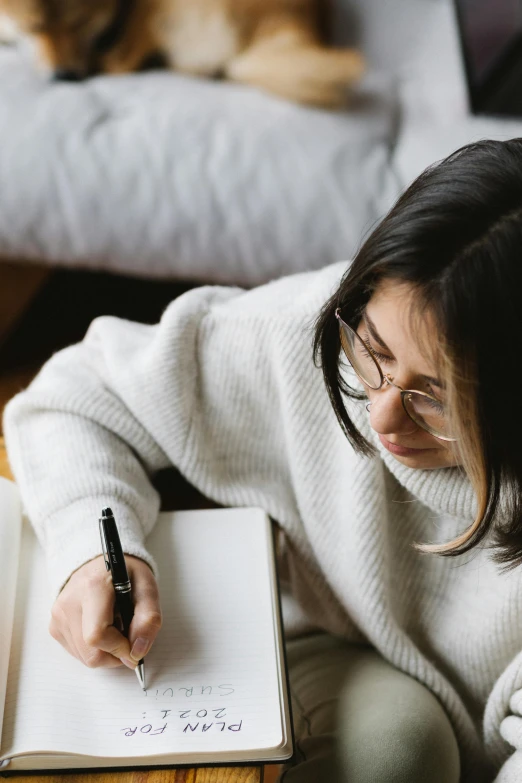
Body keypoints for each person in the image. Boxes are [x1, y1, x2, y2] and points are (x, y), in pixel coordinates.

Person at [5, 137, 522, 783]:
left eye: (436, 396)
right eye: (376, 353)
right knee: (396, 749)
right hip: (325, 649)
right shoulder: (315, 327)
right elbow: (77, 395)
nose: (383, 415)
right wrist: (92, 547)